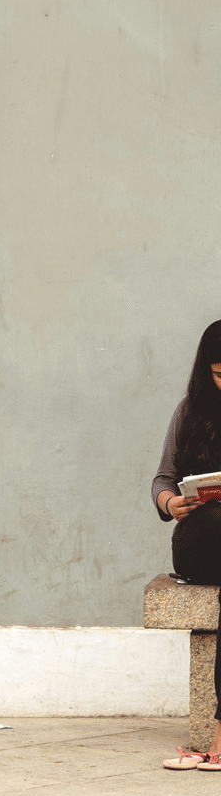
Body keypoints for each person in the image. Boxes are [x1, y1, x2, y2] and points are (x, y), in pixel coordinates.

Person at [153, 319, 221, 768]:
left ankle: (218, 737)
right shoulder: (190, 410)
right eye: (219, 374)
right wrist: (169, 501)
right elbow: (163, 477)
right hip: (200, 542)